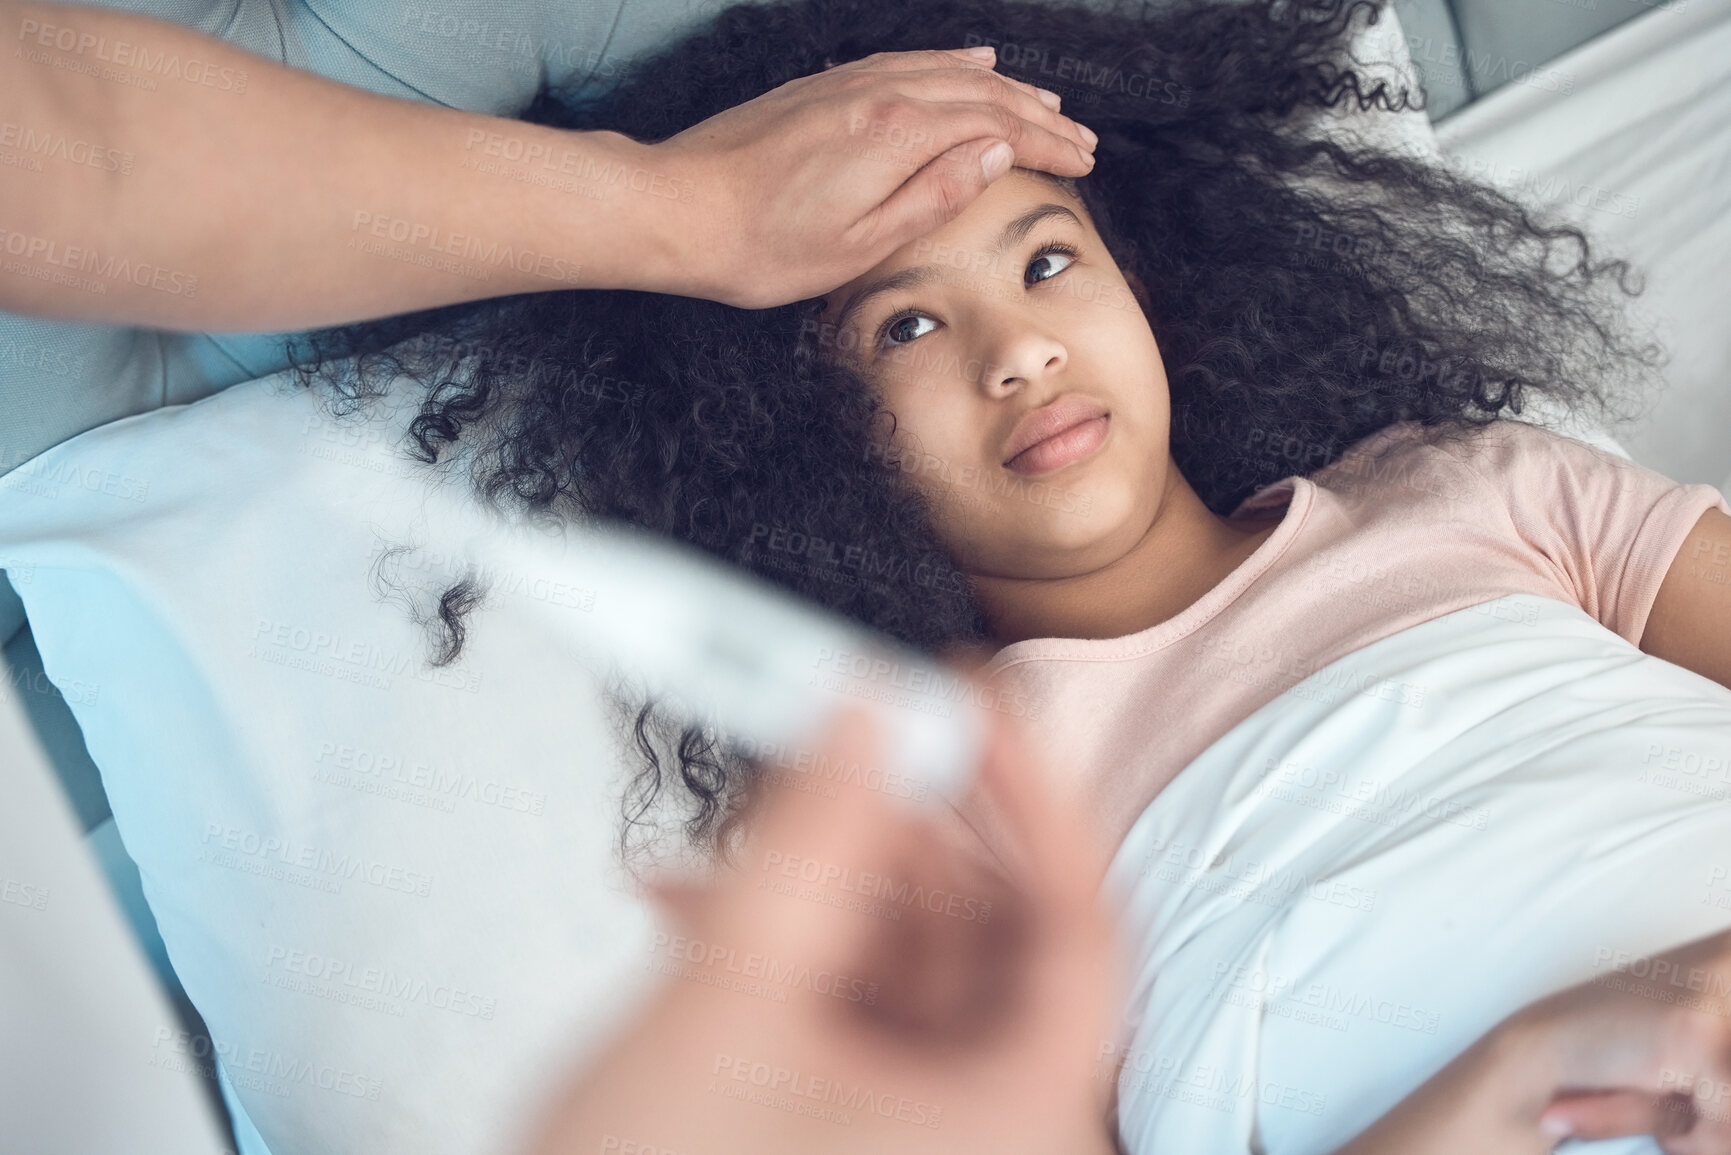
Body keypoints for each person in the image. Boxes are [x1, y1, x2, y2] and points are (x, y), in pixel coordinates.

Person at [6, 0, 1731, 1152]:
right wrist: (1522, 1077)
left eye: (1047, 260)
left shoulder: (1480, 493)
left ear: (1160, 285)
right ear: (789, 430)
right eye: (908, 323)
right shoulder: (926, 800)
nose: (1016, 353)